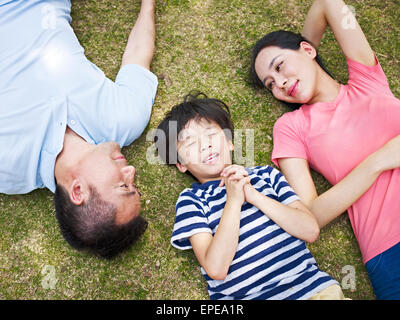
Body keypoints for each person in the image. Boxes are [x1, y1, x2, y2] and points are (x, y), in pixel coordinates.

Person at [250, 0, 400, 299]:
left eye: (279, 66)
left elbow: (327, 4)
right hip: (390, 247)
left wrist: (308, 52)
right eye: (271, 84)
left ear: (307, 50)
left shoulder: (367, 80)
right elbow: (310, 217)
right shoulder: (291, 127)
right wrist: (378, 162)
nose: (279, 82)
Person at [0, 0, 158, 259]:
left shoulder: (8, 166)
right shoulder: (125, 119)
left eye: (123, 185)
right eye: (135, 185)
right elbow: (138, 54)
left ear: (78, 191)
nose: (131, 170)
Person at [154, 92, 348, 300]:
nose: (205, 145)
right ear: (181, 164)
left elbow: (310, 231)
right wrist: (233, 201)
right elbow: (216, 268)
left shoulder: (266, 175)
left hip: (314, 291)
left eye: (211, 134)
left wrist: (253, 195)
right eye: (190, 143)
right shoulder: (191, 201)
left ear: (229, 142)